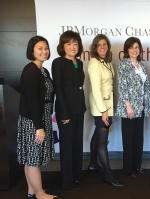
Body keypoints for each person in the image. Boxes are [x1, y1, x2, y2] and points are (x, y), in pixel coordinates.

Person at [17, 36, 58, 199]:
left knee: (30, 158)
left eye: (46, 48)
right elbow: (32, 101)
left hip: (40, 117)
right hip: (34, 121)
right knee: (33, 158)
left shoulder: (43, 70)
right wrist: (39, 127)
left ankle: (31, 191)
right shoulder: (30, 70)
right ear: (32, 50)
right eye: (40, 48)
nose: (44, 51)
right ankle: (41, 193)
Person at [87, 34, 123, 187]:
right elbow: (95, 89)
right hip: (101, 108)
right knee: (102, 142)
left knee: (97, 135)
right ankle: (108, 175)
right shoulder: (94, 63)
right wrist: (103, 111)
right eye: (99, 45)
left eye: (105, 44)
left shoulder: (106, 62)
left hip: (107, 106)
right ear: (95, 48)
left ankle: (93, 163)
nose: (102, 47)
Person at [51, 30, 86, 190]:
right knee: (67, 146)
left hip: (79, 109)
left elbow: (79, 86)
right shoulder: (58, 63)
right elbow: (58, 88)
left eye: (75, 43)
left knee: (78, 144)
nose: (72, 47)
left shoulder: (79, 62)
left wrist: (82, 107)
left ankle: (77, 177)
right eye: (68, 44)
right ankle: (67, 181)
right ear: (62, 46)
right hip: (66, 111)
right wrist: (64, 113)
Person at [116, 37, 150, 177]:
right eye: (131, 47)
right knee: (129, 139)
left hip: (140, 107)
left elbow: (146, 87)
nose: (134, 50)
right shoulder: (124, 64)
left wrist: (148, 106)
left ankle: (137, 167)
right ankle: (128, 169)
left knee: (138, 139)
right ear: (127, 50)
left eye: (137, 47)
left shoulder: (141, 65)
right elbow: (122, 86)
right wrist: (128, 106)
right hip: (129, 109)